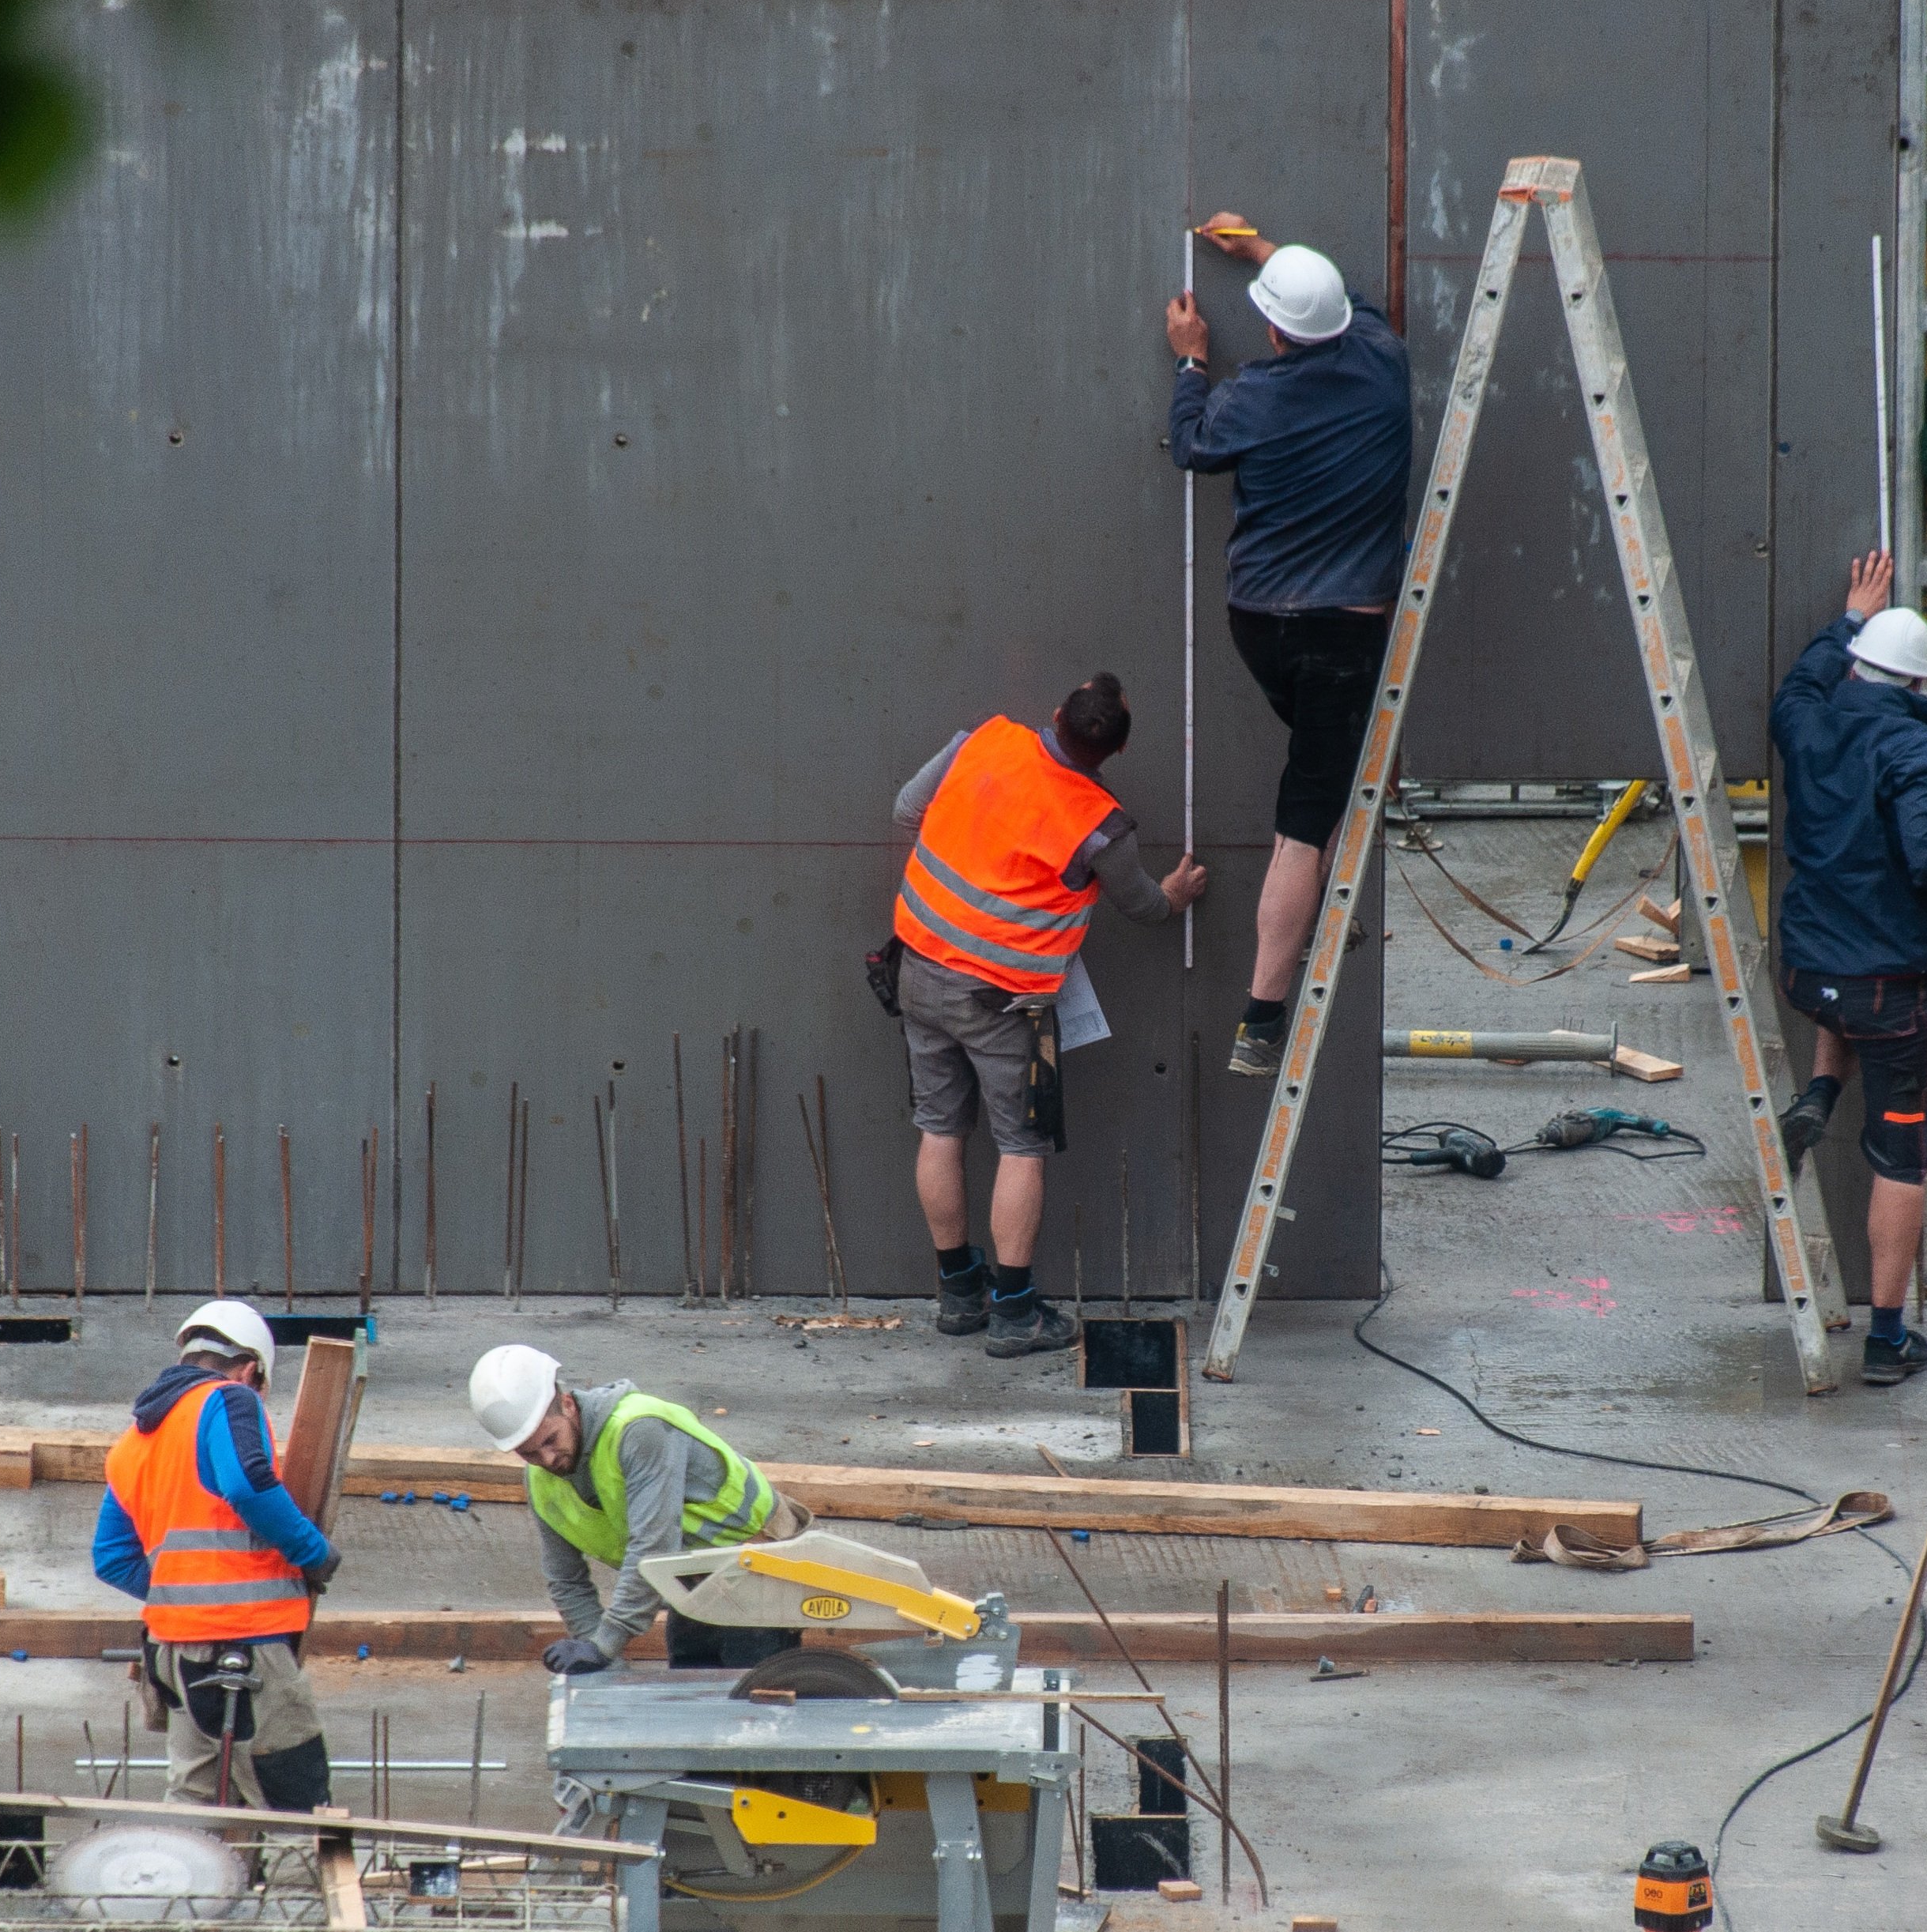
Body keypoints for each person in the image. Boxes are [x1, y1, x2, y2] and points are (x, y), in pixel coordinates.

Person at [890, 675, 1210, 1354]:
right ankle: (1013, 1312)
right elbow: (1146, 907)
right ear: (1115, 751)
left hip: (916, 968)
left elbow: (906, 812)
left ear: (1057, 713)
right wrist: (1177, 893)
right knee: (1020, 1148)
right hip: (1003, 1005)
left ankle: (958, 1295)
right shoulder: (1099, 824)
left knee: (939, 1130)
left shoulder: (983, 740)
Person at [1165, 213, 1413, 1078]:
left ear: (1270, 328)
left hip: (1258, 623)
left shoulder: (1246, 396)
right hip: (1345, 630)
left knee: (1317, 780)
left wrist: (1192, 359)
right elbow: (1344, 305)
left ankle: (1305, 913)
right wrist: (1269, 252)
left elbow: (1191, 448)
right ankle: (1262, 1016)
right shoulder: (1384, 359)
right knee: (1302, 822)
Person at [1767, 549, 1927, 1387]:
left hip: (1808, 969)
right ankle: (1885, 1336)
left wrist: (1847, 617)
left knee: (1846, 996)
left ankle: (1822, 1091)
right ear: (1916, 686)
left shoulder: (1808, 717)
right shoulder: (1918, 754)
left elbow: (1797, 684)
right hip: (1890, 988)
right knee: (1900, 1156)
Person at [94, 1300, 340, 1810]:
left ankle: (182, 1893)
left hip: (173, 1658)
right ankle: (296, 1894)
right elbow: (248, 1486)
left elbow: (113, 1557)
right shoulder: (228, 1400)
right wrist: (312, 1553)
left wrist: (184, 1595)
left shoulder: (132, 1443)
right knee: (295, 1805)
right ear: (251, 1369)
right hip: (244, 1646)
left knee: (194, 1814)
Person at [468, 1344, 812, 1674]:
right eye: (529, 1454)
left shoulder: (639, 1430)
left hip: (758, 1562)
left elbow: (654, 1547)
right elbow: (566, 1581)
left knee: (749, 1704)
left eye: (550, 1440)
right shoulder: (540, 1482)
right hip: (687, 1579)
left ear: (569, 1405)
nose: (547, 1460)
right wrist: (599, 1662)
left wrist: (605, 1645)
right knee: (690, 1686)